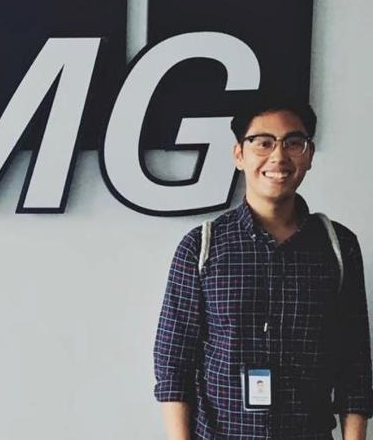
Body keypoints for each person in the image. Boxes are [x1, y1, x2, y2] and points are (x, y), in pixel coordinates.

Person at [153, 94, 373, 439]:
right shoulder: (201, 247)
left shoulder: (338, 246)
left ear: (310, 155)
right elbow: (173, 365)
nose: (279, 156)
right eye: (263, 143)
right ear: (239, 154)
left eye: (293, 143)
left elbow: (354, 364)